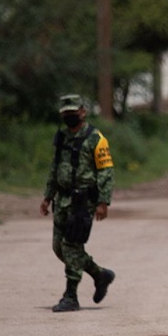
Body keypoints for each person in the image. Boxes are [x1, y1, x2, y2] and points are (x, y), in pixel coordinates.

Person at [40, 94, 116, 313]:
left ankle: (71, 296)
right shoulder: (62, 137)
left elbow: (106, 171)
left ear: (83, 112)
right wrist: (47, 197)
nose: (69, 116)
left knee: (71, 246)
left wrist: (103, 202)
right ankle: (100, 274)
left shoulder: (95, 139)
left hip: (83, 201)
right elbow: (55, 168)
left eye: (73, 112)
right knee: (59, 248)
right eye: (66, 113)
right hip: (62, 200)